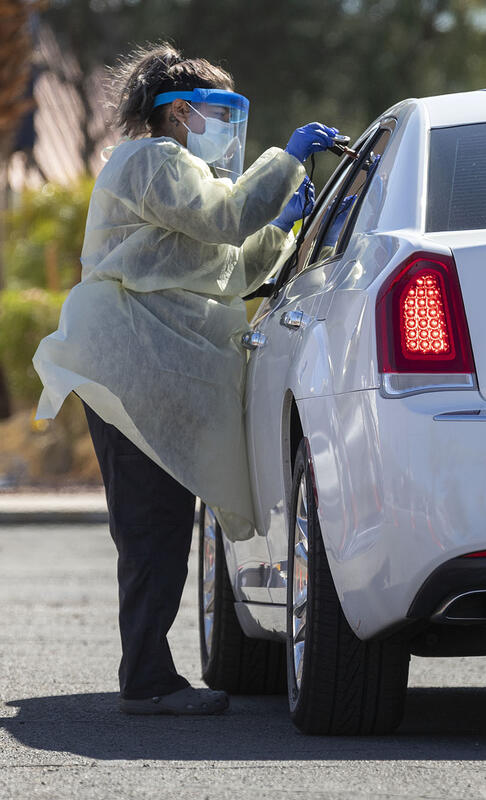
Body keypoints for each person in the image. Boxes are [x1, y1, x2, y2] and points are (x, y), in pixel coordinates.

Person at [32, 43, 340, 715]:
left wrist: (285, 227)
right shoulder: (153, 161)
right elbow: (226, 219)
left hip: (137, 369)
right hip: (125, 365)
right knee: (151, 527)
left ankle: (149, 673)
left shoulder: (174, 176)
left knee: (159, 525)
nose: (225, 126)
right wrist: (285, 160)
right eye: (216, 110)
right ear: (178, 115)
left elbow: (227, 269)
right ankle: (146, 683)